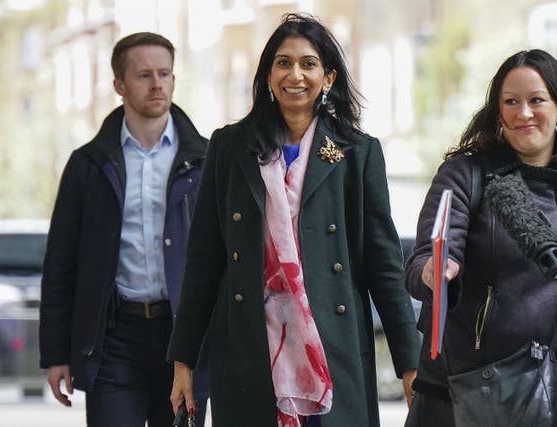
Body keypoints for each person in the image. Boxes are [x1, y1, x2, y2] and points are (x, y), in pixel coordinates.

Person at [167, 13, 420, 427]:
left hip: (332, 352)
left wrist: (409, 364)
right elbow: (204, 261)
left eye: (308, 63)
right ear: (268, 75)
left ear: (329, 78)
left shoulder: (357, 152)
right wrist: (183, 360)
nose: (295, 74)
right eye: (283, 63)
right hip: (249, 349)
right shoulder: (230, 148)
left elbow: (384, 267)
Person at [404, 48, 557, 427]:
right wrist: (434, 273)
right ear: (498, 113)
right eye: (511, 102)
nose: (523, 112)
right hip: (467, 394)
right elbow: (425, 260)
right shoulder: (465, 175)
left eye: (536, 100)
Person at [39, 32, 209, 426]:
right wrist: (56, 354)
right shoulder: (89, 165)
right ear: (119, 84)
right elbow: (60, 263)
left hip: (182, 341)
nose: (157, 84)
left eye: (165, 74)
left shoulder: (204, 161)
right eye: (144, 75)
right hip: (114, 339)